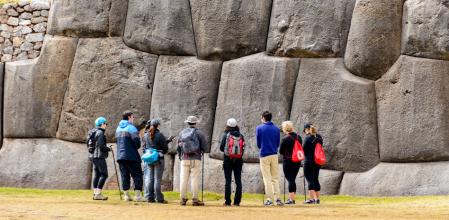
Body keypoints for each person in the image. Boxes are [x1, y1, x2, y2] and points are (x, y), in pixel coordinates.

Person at [177, 116, 207, 206]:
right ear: (196, 123)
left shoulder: (182, 133)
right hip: (196, 158)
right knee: (194, 179)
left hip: (184, 158)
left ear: (187, 123)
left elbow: (178, 146)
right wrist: (201, 152)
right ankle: (195, 199)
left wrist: (180, 156)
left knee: (183, 179)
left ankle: (183, 199)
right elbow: (204, 146)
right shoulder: (199, 133)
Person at [115, 111, 145, 202]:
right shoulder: (132, 128)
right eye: (133, 117)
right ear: (129, 117)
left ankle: (126, 196)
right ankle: (138, 196)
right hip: (132, 156)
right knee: (137, 175)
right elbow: (137, 143)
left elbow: (117, 142)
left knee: (124, 175)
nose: (133, 119)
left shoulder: (118, 129)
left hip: (120, 156)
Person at [143, 119, 174, 204]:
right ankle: (159, 198)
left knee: (150, 178)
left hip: (149, 158)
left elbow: (146, 146)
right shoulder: (159, 135)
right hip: (158, 159)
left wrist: (166, 141)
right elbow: (165, 148)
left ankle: (150, 197)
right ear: (158, 126)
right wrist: (162, 151)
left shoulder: (146, 135)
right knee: (157, 179)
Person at [255, 111, 283, 206]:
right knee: (275, 177)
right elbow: (278, 143)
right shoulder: (276, 129)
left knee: (267, 178)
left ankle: (270, 199)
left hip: (264, 154)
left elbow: (258, 144)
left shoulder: (259, 128)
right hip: (274, 154)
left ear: (263, 117)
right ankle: (278, 199)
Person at [219, 118, 245, 206]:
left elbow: (221, 148)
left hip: (227, 159)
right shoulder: (241, 135)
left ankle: (227, 202)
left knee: (228, 181)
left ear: (228, 125)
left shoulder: (226, 135)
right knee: (238, 181)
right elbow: (243, 149)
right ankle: (237, 202)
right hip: (238, 160)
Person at [279, 121, 302, 205]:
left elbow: (281, 151)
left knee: (290, 179)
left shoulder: (285, 139)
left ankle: (291, 199)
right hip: (297, 161)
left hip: (288, 161)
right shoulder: (298, 137)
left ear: (285, 128)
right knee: (293, 179)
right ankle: (292, 198)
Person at [89, 117, 111, 200]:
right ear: (102, 124)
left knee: (97, 174)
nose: (106, 125)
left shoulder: (93, 132)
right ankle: (98, 194)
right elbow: (101, 147)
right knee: (104, 174)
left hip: (93, 156)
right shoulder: (100, 133)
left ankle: (95, 193)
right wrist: (109, 149)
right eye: (105, 123)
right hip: (99, 156)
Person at [302, 123, 323, 204]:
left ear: (307, 129)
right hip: (317, 161)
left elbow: (303, 150)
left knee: (309, 180)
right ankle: (317, 198)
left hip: (308, 161)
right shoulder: (319, 137)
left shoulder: (307, 138)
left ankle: (312, 199)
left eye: (305, 131)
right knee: (315, 179)